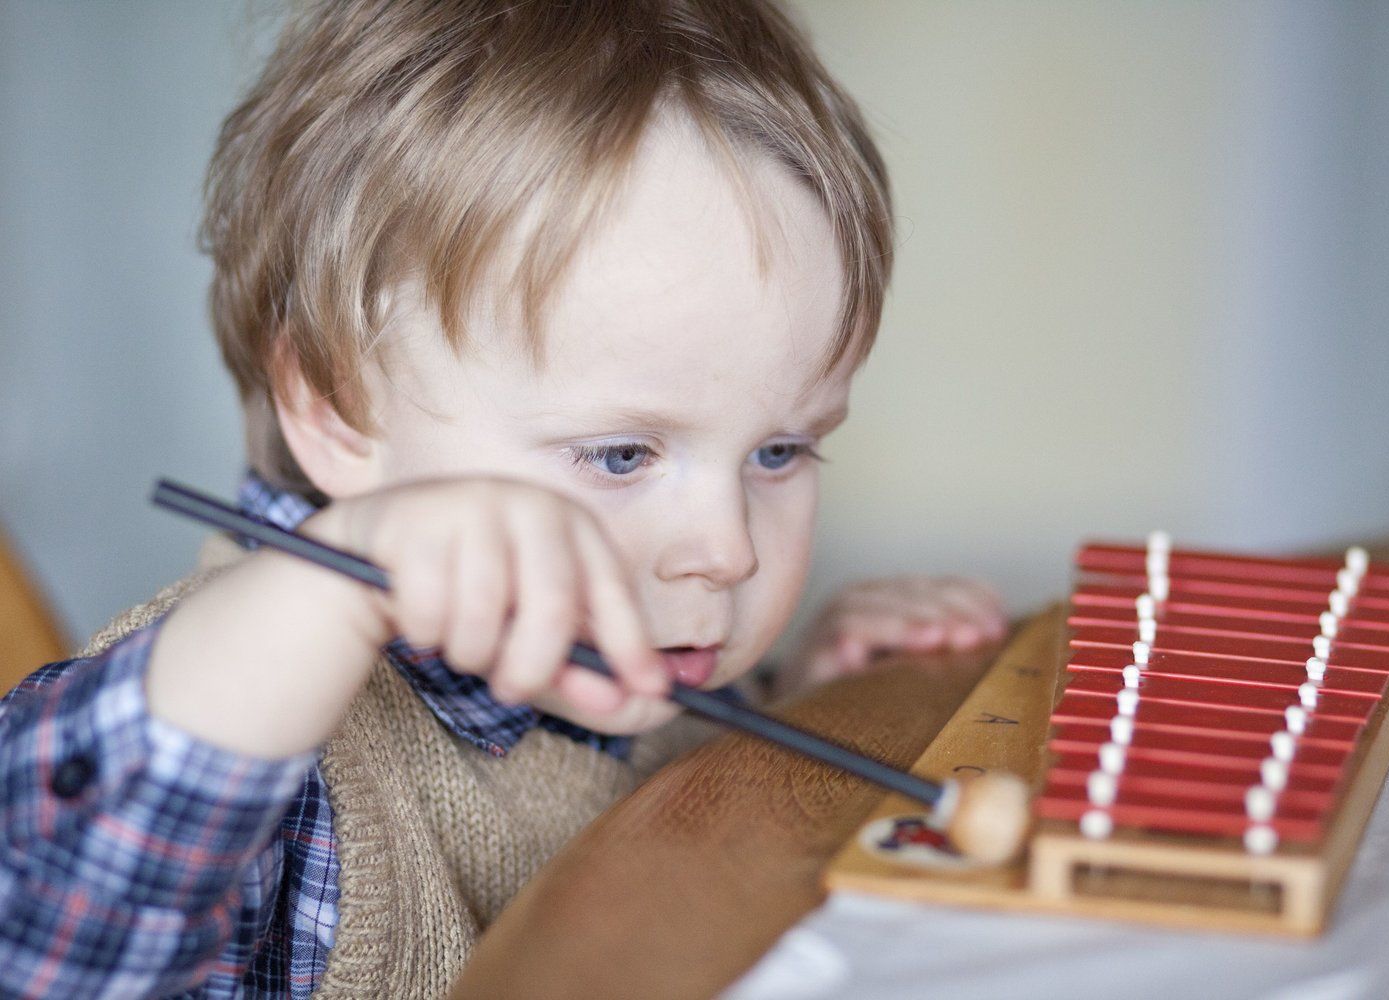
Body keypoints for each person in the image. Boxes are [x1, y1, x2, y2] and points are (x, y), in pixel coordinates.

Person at [0, 1, 1006, 995]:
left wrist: (801, 699)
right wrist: (317, 597)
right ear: (340, 409)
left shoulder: (632, 660)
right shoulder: (278, 754)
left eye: (780, 450)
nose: (725, 550)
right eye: (619, 456)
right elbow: (45, 941)